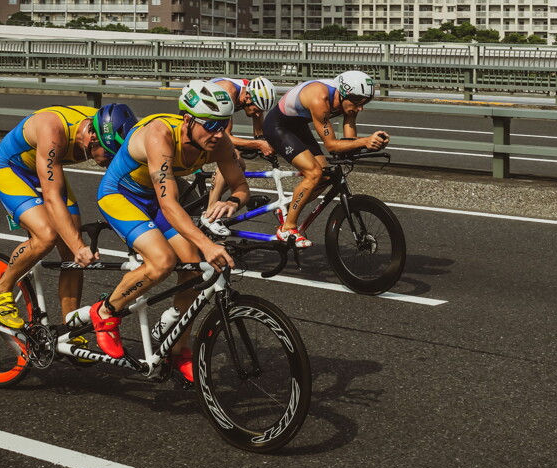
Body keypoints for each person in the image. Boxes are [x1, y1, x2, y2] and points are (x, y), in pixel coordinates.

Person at [91, 80, 251, 382]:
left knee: (193, 268)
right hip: (121, 195)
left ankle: (179, 349)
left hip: (155, 200)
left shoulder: (219, 142)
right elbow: (169, 203)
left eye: (223, 125)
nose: (218, 134)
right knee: (162, 260)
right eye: (210, 125)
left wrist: (231, 202)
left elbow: (241, 186)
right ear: (188, 120)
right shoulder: (160, 135)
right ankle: (105, 312)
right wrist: (207, 243)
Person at [0, 103, 138, 329]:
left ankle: (70, 329)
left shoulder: (102, 129)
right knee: (47, 236)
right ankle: (0, 289)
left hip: (47, 169)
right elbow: (51, 197)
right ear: (92, 138)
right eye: (108, 154)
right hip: (11, 169)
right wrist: (78, 247)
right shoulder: (53, 129)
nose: (109, 162)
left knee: (72, 256)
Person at [262, 70, 389, 248]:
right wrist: (365, 141)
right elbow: (331, 145)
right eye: (359, 103)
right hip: (278, 127)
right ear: (344, 94)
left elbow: (348, 141)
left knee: (326, 177)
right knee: (313, 173)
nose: (360, 108)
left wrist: (371, 144)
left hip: (298, 125)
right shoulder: (319, 99)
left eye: (365, 103)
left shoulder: (350, 100)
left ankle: (287, 209)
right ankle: (287, 228)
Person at [204, 76, 277, 211]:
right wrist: (257, 145)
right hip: (199, 126)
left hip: (213, 126)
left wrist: (268, 145)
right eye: (257, 110)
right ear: (248, 98)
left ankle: (224, 201)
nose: (257, 114)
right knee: (232, 159)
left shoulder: (253, 95)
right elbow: (225, 136)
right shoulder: (228, 92)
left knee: (238, 167)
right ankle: (210, 212)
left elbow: (259, 135)